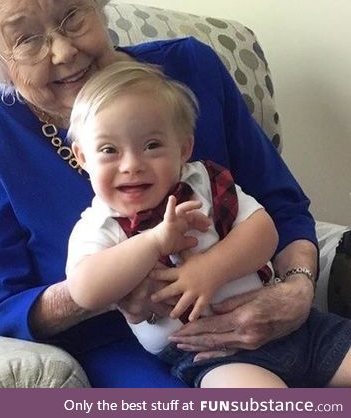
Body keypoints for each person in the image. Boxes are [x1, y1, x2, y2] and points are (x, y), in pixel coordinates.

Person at [0, 0, 346, 387]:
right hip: (119, 347)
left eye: (71, 15)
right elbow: (2, 307)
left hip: (255, 302)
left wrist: (294, 289)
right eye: (25, 38)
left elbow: (282, 205)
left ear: (98, 3)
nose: (63, 50)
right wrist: (106, 289)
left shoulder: (189, 71)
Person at [65, 62, 351, 387]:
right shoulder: (100, 225)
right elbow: (85, 291)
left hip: (297, 328)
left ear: (184, 148)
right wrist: (154, 242)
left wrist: (209, 270)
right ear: (83, 157)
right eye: (109, 150)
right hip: (213, 356)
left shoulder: (205, 183)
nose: (132, 165)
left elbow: (263, 232)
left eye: (152, 145)